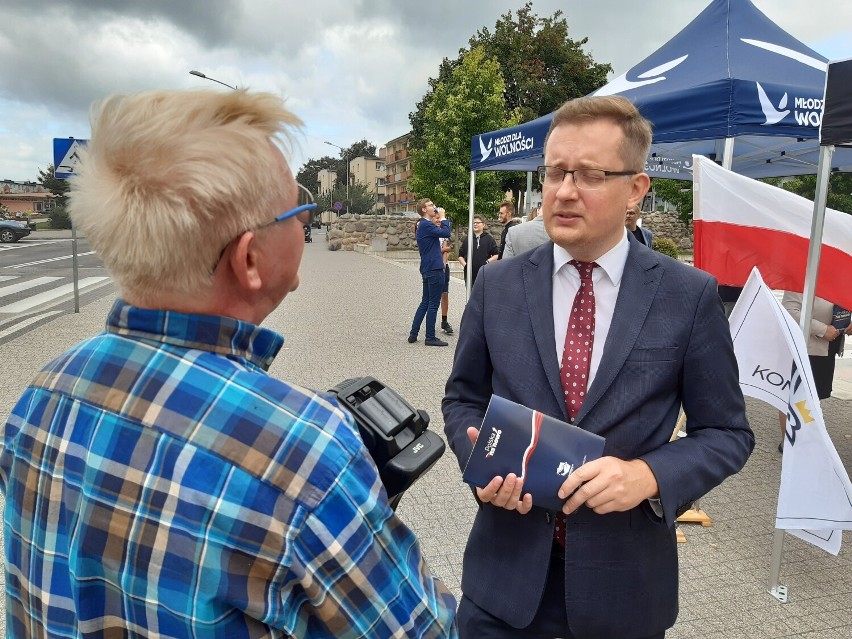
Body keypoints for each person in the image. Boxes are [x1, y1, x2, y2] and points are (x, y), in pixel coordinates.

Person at [0, 89, 457, 638]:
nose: (308, 218)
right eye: (298, 208)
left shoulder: (43, 392)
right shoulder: (303, 453)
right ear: (249, 259)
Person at [443, 95, 753, 639]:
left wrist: (648, 476)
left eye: (589, 175)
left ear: (635, 189)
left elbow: (727, 432)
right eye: (555, 172)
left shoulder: (687, 295)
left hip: (624, 596)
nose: (564, 191)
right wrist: (481, 463)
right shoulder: (498, 285)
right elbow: (462, 398)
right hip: (503, 591)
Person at [778, 292, 850, 451]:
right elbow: (790, 311)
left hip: (827, 348)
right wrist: (822, 329)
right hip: (805, 348)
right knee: (795, 395)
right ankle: (789, 442)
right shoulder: (802, 275)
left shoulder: (837, 277)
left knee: (814, 395)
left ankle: (806, 436)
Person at [409, 197, 452, 346]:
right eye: (430, 205)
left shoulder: (423, 225)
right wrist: (443, 216)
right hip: (435, 268)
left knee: (425, 302)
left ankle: (413, 334)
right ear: (423, 210)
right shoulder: (426, 224)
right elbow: (446, 232)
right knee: (433, 304)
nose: (434, 207)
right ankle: (430, 337)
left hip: (427, 267)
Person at [458, 215, 498, 287]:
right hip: (470, 273)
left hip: (484, 272)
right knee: (470, 294)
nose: (475, 224)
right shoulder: (467, 239)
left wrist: (487, 262)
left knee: (483, 294)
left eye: (477, 222)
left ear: (483, 224)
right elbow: (460, 255)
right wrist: (465, 265)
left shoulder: (489, 239)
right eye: (473, 223)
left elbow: (496, 255)